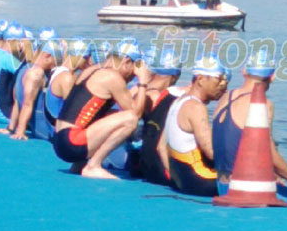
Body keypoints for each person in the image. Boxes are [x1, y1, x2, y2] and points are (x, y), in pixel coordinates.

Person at [212, 49, 287, 209]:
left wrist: (272, 174)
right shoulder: (262, 103)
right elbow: (269, 153)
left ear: (244, 72)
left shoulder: (226, 97)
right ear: (272, 77)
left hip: (221, 183)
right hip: (243, 188)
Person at [53, 39, 151, 178]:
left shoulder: (93, 70)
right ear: (126, 62)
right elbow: (136, 113)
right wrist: (143, 82)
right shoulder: (112, 76)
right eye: (133, 72)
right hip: (73, 142)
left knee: (108, 113)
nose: (131, 77)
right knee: (131, 119)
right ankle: (93, 165)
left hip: (60, 139)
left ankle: (79, 165)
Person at [160, 53, 229, 196]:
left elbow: (160, 147)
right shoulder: (196, 107)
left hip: (181, 181)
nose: (222, 86)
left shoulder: (178, 102)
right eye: (219, 80)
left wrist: (175, 178)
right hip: (200, 181)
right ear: (201, 79)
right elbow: (211, 152)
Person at [0, 39, 63, 141]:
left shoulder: (24, 68)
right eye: (57, 60)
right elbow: (27, 104)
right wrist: (21, 131)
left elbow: (17, 102)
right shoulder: (36, 74)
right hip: (44, 130)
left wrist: (11, 128)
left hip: (36, 127)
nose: (57, 65)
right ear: (47, 56)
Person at [136, 48, 183, 185]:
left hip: (135, 156)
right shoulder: (160, 98)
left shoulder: (139, 89)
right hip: (143, 161)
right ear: (175, 76)